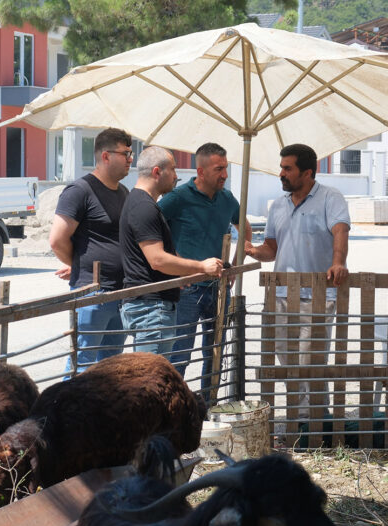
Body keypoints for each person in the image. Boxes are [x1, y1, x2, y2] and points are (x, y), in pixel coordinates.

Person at [245, 143, 350, 448]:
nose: (282, 173)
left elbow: (340, 231)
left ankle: (308, 423)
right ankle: (311, 418)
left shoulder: (331, 198)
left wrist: (338, 261)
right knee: (287, 359)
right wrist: (251, 249)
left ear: (307, 172)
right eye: (282, 167)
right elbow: (271, 250)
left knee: (309, 360)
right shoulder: (277, 205)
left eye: (288, 168)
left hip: (316, 296)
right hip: (280, 296)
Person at [159, 142, 251, 396]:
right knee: (180, 354)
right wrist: (174, 264)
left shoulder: (227, 198)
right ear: (200, 171)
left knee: (215, 355)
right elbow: (151, 227)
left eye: (226, 168)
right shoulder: (177, 198)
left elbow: (245, 229)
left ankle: (208, 408)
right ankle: (171, 410)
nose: (225, 174)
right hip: (186, 290)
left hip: (219, 288)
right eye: (219, 169)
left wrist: (236, 266)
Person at [119, 146, 223, 356]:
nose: (177, 176)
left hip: (150, 307)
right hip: (151, 308)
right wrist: (201, 266)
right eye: (173, 170)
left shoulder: (143, 203)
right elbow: (157, 259)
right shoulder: (143, 206)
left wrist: (183, 271)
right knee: (150, 382)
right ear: (157, 172)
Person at [49, 128, 134, 374]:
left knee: (111, 368)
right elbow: (57, 240)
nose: (131, 159)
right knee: (82, 364)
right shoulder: (80, 191)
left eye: (131, 154)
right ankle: (64, 412)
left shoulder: (123, 192)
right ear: (106, 156)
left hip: (119, 292)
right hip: (92, 293)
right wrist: (79, 263)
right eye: (126, 153)